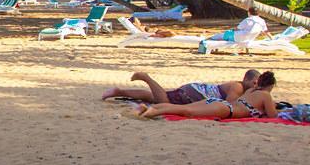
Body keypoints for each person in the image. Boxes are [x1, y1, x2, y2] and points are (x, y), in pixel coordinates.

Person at [139, 71, 277, 119]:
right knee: (186, 111)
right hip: (225, 110)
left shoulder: (250, 91)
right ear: (270, 86)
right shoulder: (266, 95)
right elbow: (273, 116)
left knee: (187, 108)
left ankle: (153, 109)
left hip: (219, 103)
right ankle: (152, 112)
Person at [102, 69, 260, 104]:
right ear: (246, 79)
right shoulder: (238, 88)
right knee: (164, 102)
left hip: (195, 90)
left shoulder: (239, 87)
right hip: (195, 93)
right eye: (253, 83)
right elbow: (231, 104)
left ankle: (119, 91)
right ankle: (147, 78)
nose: (255, 86)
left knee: (154, 97)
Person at [199, 6, 269, 52]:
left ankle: (205, 41)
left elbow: (238, 29)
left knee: (219, 36)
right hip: (249, 39)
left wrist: (230, 31)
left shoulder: (248, 20)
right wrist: (272, 38)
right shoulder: (262, 21)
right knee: (223, 35)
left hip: (237, 37)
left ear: (249, 12)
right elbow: (266, 31)